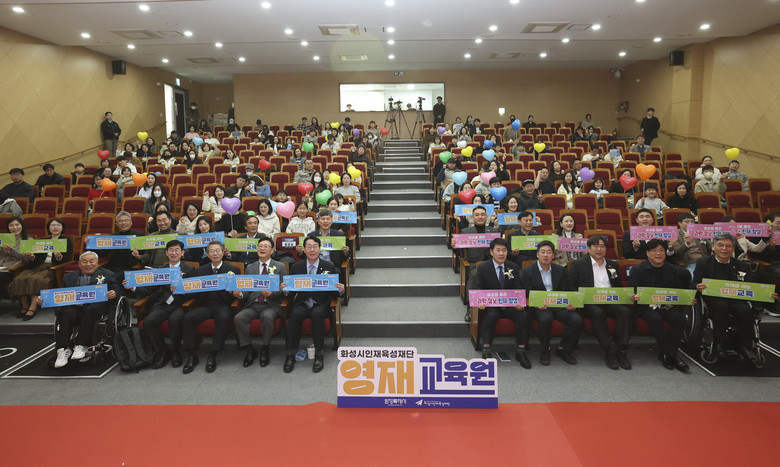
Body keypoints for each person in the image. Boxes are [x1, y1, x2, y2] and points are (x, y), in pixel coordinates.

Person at [693, 233, 778, 362]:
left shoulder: (741, 265)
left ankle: (745, 346)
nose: (724, 249)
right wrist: (697, 286)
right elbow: (694, 282)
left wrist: (766, 294)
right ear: (713, 247)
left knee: (745, 310)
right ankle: (719, 344)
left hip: (735, 299)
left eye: (728, 246)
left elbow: (751, 286)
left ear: (733, 248)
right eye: (720, 245)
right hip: (713, 299)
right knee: (721, 307)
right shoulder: (703, 262)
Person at [569, 235, 637, 370]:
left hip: (610, 301)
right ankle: (608, 349)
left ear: (606, 248)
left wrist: (628, 295)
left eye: (602, 246)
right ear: (588, 248)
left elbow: (617, 286)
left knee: (625, 312)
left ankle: (622, 349)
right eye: (595, 246)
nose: (599, 249)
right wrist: (578, 299)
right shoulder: (578, 264)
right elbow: (571, 286)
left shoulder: (613, 265)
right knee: (597, 313)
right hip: (589, 303)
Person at [126, 240, 195, 369]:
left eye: (177, 250)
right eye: (171, 250)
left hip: (180, 305)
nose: (174, 253)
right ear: (167, 253)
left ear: (182, 253)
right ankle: (162, 351)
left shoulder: (190, 270)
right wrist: (133, 288)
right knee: (148, 321)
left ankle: (175, 352)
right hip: (163, 304)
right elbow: (150, 290)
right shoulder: (161, 270)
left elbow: (195, 292)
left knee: (175, 320)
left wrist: (182, 290)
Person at [46, 251, 120, 368]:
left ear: (97, 263)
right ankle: (63, 349)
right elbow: (60, 295)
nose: (88, 264)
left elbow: (117, 289)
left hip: (95, 307)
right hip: (75, 307)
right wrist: (44, 299)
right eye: (85, 262)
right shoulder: (69, 277)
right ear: (79, 264)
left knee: (89, 311)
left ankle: (81, 345)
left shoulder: (108, 275)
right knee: (65, 313)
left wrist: (114, 293)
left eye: (91, 261)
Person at [281, 236, 345, 373]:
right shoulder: (296, 267)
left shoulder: (329, 267)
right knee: (295, 315)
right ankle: (290, 354)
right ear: (304, 250)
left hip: (321, 303)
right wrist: (286, 291)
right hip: (303, 302)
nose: (312, 250)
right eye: (308, 247)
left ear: (320, 249)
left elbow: (334, 293)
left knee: (317, 314)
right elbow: (291, 292)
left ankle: (319, 355)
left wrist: (340, 291)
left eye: (315, 246)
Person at [628, 239, 691, 372]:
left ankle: (666, 353)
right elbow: (632, 291)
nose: (658, 253)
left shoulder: (673, 270)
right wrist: (634, 296)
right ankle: (671, 355)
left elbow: (679, 290)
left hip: (665, 304)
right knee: (655, 319)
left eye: (661, 250)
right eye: (654, 251)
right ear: (647, 253)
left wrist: (688, 297)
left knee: (679, 319)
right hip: (645, 305)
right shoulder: (637, 270)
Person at [179, 241, 240, 374]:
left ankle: (213, 353)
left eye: (218, 250)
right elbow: (194, 291)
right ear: (207, 254)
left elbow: (238, 291)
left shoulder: (233, 270)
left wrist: (235, 292)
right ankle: (191, 355)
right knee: (188, 318)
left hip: (223, 305)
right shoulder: (201, 271)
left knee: (223, 317)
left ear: (223, 252)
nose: (215, 253)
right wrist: (181, 289)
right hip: (205, 305)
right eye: (212, 251)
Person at [471, 238, 531, 367]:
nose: (501, 253)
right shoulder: (483, 267)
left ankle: (521, 350)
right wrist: (480, 301)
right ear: (491, 252)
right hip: (491, 305)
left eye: (504, 250)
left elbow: (518, 287)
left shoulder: (513, 266)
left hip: (509, 304)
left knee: (523, 315)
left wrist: (520, 302)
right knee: (491, 316)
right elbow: (478, 288)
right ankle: (486, 349)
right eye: (498, 250)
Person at [521, 240, 581, 366]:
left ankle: (563, 349)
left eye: (549, 252)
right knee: (545, 318)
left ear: (553, 255)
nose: (545, 255)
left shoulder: (560, 270)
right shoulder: (527, 271)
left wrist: (569, 303)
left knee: (576, 319)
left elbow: (565, 290)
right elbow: (527, 293)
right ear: (537, 254)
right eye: (542, 252)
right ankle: (545, 349)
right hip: (540, 305)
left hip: (558, 304)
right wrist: (536, 304)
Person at [233, 236, 286, 368]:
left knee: (267, 316)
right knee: (239, 318)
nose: (262, 249)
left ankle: (265, 348)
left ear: (272, 250)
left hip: (271, 305)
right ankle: (249, 349)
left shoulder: (280, 267)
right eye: (260, 246)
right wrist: (240, 294)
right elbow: (246, 290)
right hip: (253, 304)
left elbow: (283, 290)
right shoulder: (250, 267)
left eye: (266, 246)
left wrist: (271, 294)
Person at [9, 217, 72, 321]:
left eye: (58, 225)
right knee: (19, 278)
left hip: (52, 268)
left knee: (37, 279)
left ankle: (32, 308)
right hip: (38, 266)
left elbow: (66, 258)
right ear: (49, 228)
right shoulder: (43, 241)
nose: (55, 227)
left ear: (62, 228)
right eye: (53, 225)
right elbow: (36, 259)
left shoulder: (66, 240)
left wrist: (59, 257)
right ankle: (24, 307)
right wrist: (31, 256)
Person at [0, 217, 32, 302]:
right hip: (2, 265)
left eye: (17, 225)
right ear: (8, 227)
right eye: (11, 225)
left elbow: (26, 259)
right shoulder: (4, 239)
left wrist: (12, 250)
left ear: (22, 226)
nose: (14, 228)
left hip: (15, 268)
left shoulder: (28, 239)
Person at [673, 213, 711, 278]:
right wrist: (686, 244)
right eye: (687, 222)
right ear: (680, 223)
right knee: (694, 277)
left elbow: (711, 246)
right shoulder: (675, 234)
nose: (690, 224)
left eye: (692, 222)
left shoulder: (699, 232)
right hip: (689, 263)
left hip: (704, 261)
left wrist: (715, 239)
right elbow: (677, 252)